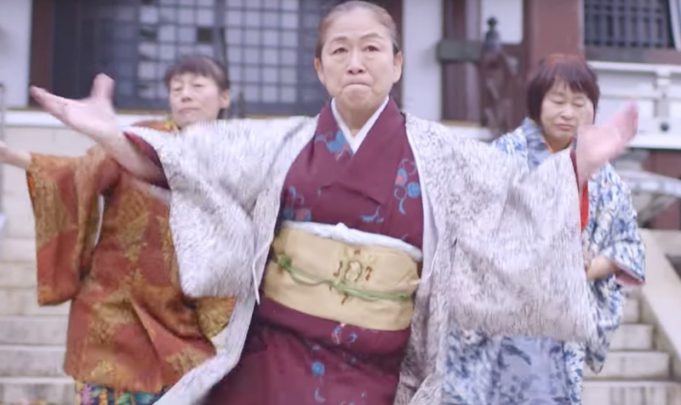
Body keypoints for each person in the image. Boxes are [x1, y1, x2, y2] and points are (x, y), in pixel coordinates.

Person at [29, 2, 639, 403]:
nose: (356, 62)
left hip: (377, 374)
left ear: (397, 63)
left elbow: (517, 208)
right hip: (275, 364)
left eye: (372, 48)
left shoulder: (444, 155)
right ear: (320, 68)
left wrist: (576, 166)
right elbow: (181, 163)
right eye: (340, 50)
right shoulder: (280, 143)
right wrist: (111, 133)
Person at [0, 55, 235, 404]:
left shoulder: (240, 158)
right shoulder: (141, 139)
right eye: (176, 88)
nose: (185, 94)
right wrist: (9, 155)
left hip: (178, 318)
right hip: (110, 313)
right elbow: (78, 173)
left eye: (197, 86)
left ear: (224, 97)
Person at [443, 54, 645, 405]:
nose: (568, 112)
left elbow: (629, 244)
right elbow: (472, 232)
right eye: (557, 101)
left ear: (593, 109)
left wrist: (586, 269)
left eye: (579, 103)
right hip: (506, 316)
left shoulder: (605, 177)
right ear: (537, 103)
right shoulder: (504, 155)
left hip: (563, 321)